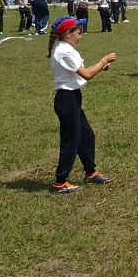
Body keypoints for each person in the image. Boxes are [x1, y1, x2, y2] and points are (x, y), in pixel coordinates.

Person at [46, 15, 116, 194]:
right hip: (67, 99)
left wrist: (101, 67)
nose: (81, 35)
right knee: (71, 140)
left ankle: (90, 173)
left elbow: (81, 73)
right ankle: (60, 182)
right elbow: (86, 75)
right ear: (68, 33)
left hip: (73, 97)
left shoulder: (66, 49)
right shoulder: (64, 52)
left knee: (86, 136)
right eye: (78, 32)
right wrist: (103, 61)